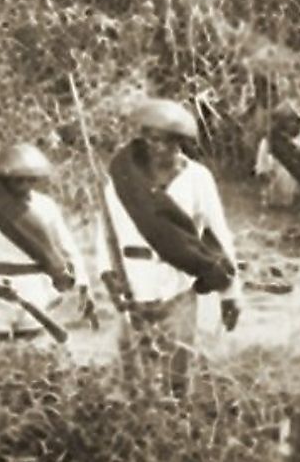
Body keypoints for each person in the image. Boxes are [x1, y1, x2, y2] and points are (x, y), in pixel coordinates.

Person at [96, 97, 242, 398]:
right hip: (132, 282)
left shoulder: (197, 179)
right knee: (133, 372)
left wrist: (231, 292)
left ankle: (177, 425)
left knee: (177, 371)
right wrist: (109, 275)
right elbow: (105, 234)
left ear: (179, 143)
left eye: (163, 140)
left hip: (177, 285)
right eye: (148, 137)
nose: (155, 146)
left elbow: (219, 234)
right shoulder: (123, 180)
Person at [0, 143, 92, 345]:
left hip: (35, 290)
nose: (25, 185)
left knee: (33, 356)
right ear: (5, 179)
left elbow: (68, 249)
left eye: (31, 179)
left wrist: (83, 283)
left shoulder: (46, 207)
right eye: (18, 180)